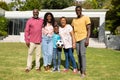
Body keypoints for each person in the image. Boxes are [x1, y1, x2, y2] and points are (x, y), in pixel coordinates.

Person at [71, 6, 91, 78]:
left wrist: (87, 39)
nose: (78, 11)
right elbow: (72, 30)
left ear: (81, 10)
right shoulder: (74, 20)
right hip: (76, 39)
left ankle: (83, 72)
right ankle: (79, 69)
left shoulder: (86, 18)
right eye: (76, 10)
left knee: (82, 54)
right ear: (75, 11)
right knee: (78, 55)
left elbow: (88, 29)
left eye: (79, 10)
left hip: (83, 38)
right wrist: (73, 40)